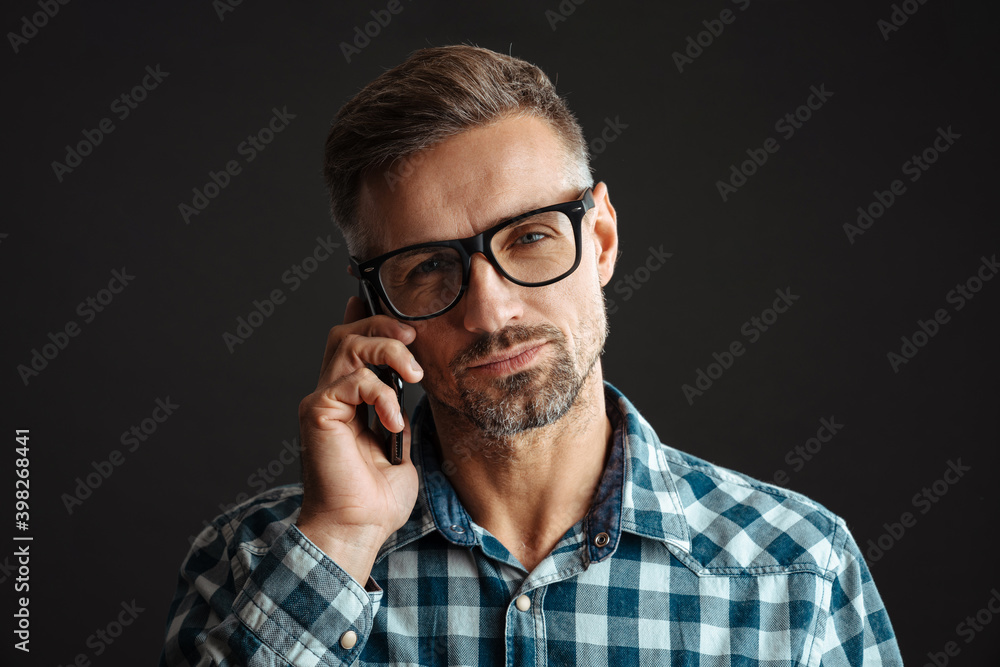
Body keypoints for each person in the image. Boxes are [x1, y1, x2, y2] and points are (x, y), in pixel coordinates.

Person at [160, 45, 903, 666]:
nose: (491, 311)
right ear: (373, 311)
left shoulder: (797, 573)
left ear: (602, 239)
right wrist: (345, 537)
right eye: (427, 267)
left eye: (531, 237)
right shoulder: (249, 564)